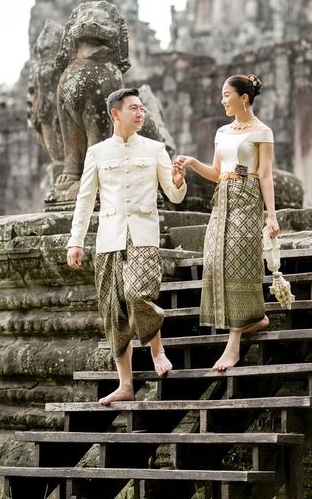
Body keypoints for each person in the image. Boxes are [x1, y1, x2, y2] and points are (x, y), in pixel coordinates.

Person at [67, 87, 187, 404]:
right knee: (112, 311)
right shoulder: (97, 152)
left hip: (143, 235)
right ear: (115, 113)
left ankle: (158, 351)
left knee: (137, 293)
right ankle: (125, 384)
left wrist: (177, 181)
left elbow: (174, 197)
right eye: (133, 108)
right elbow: (84, 200)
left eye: (142, 108)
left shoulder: (155, 149)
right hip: (109, 238)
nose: (140, 113)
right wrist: (75, 241)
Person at [173, 74, 279, 371]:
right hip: (222, 200)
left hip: (248, 198)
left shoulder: (263, 132)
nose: (223, 100)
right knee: (216, 260)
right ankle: (254, 318)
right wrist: (193, 163)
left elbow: (266, 174)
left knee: (240, 261)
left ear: (243, 98)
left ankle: (232, 344)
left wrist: (271, 214)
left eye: (226, 95)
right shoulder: (221, 132)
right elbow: (218, 172)